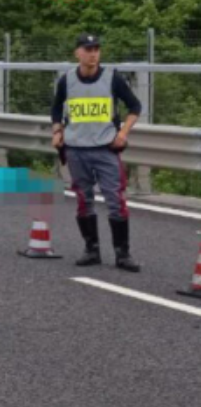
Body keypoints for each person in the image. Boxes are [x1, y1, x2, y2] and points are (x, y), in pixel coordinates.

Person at [51, 34, 142, 272]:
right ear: (77, 53)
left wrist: (123, 133)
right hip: (76, 150)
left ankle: (123, 254)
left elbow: (135, 106)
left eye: (96, 49)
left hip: (105, 150)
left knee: (116, 201)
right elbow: (56, 108)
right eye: (88, 49)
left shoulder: (112, 78)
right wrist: (57, 131)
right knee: (84, 200)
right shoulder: (67, 80)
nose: (93, 53)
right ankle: (91, 250)